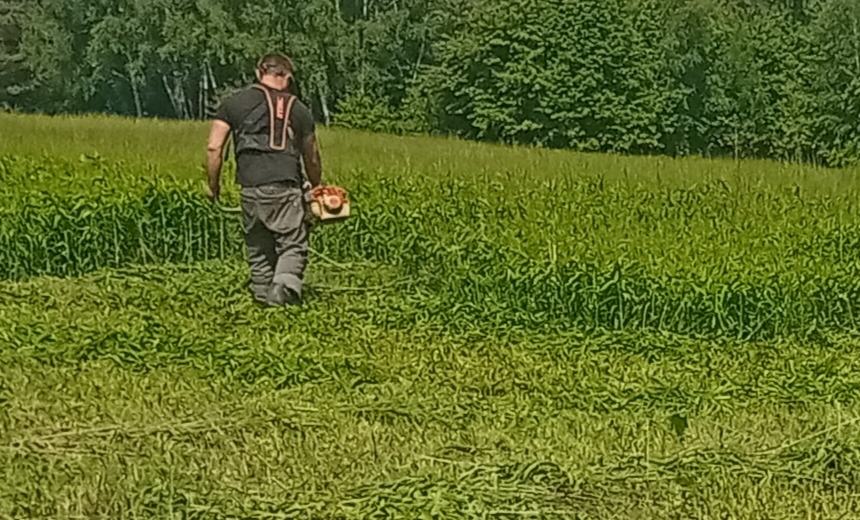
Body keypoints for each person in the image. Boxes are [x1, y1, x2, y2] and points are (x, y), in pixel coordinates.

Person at [206, 53, 323, 307]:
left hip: (250, 188)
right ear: (288, 78)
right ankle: (282, 291)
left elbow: (214, 148)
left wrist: (213, 186)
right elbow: (312, 156)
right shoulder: (299, 110)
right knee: (292, 244)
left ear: (259, 72)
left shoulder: (233, 104)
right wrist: (317, 186)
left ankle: (261, 297)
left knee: (258, 246)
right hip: (285, 187)